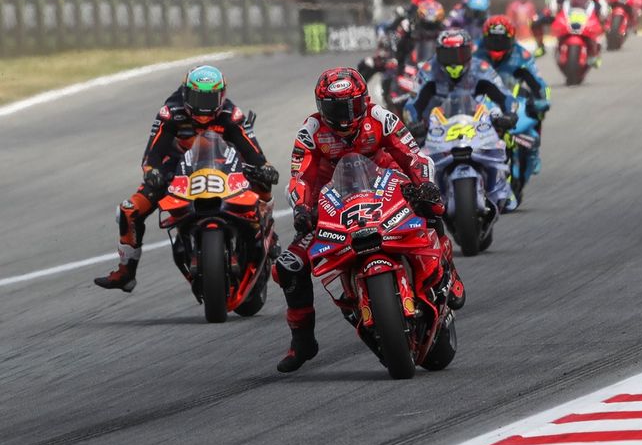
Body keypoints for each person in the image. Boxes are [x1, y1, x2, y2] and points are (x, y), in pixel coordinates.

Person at [274, 67, 465, 373]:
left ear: (364, 100)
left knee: (432, 208)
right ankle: (303, 341)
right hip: (333, 204)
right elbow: (300, 176)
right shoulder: (310, 131)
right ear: (322, 107)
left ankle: (447, 274)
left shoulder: (381, 118)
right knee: (288, 265)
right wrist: (301, 208)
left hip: (387, 188)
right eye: (336, 108)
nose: (345, 115)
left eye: (352, 105)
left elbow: (412, 155)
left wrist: (423, 184)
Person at [94, 66, 279, 292]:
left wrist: (265, 168)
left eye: (209, 98)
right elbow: (152, 153)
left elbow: (254, 153)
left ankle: (269, 231)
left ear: (222, 96)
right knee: (128, 210)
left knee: (263, 180)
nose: (203, 106)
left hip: (226, 168)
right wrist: (152, 172)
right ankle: (125, 272)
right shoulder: (170, 112)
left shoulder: (232, 115)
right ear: (185, 93)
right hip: (177, 171)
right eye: (197, 97)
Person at [474, 15, 551, 173]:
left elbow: (538, 81)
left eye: (501, 40)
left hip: (513, 97)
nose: (497, 45)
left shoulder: (522, 55)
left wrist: (542, 99)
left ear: (511, 39)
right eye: (492, 40)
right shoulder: (474, 52)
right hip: (480, 98)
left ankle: (533, 152)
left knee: (536, 109)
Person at [404, 29, 518, 129]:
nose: (454, 62)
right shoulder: (428, 70)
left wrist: (510, 114)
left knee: (506, 142)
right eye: (447, 55)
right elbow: (412, 104)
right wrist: (413, 123)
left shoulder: (482, 68)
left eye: (460, 54)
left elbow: (506, 96)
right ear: (438, 54)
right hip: (435, 133)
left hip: (478, 131)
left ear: (469, 52)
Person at [357, 0, 438, 82]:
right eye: (420, 5)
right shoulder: (403, 16)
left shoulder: (437, 23)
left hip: (425, 62)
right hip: (401, 57)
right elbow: (384, 29)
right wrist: (386, 47)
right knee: (367, 64)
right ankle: (355, 92)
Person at [552, 0, 609, 67]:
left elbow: (602, 2)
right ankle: (558, 46)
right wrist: (554, 7)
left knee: (603, 23)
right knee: (543, 20)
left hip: (587, 14)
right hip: (570, 13)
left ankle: (595, 51)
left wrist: (603, 12)